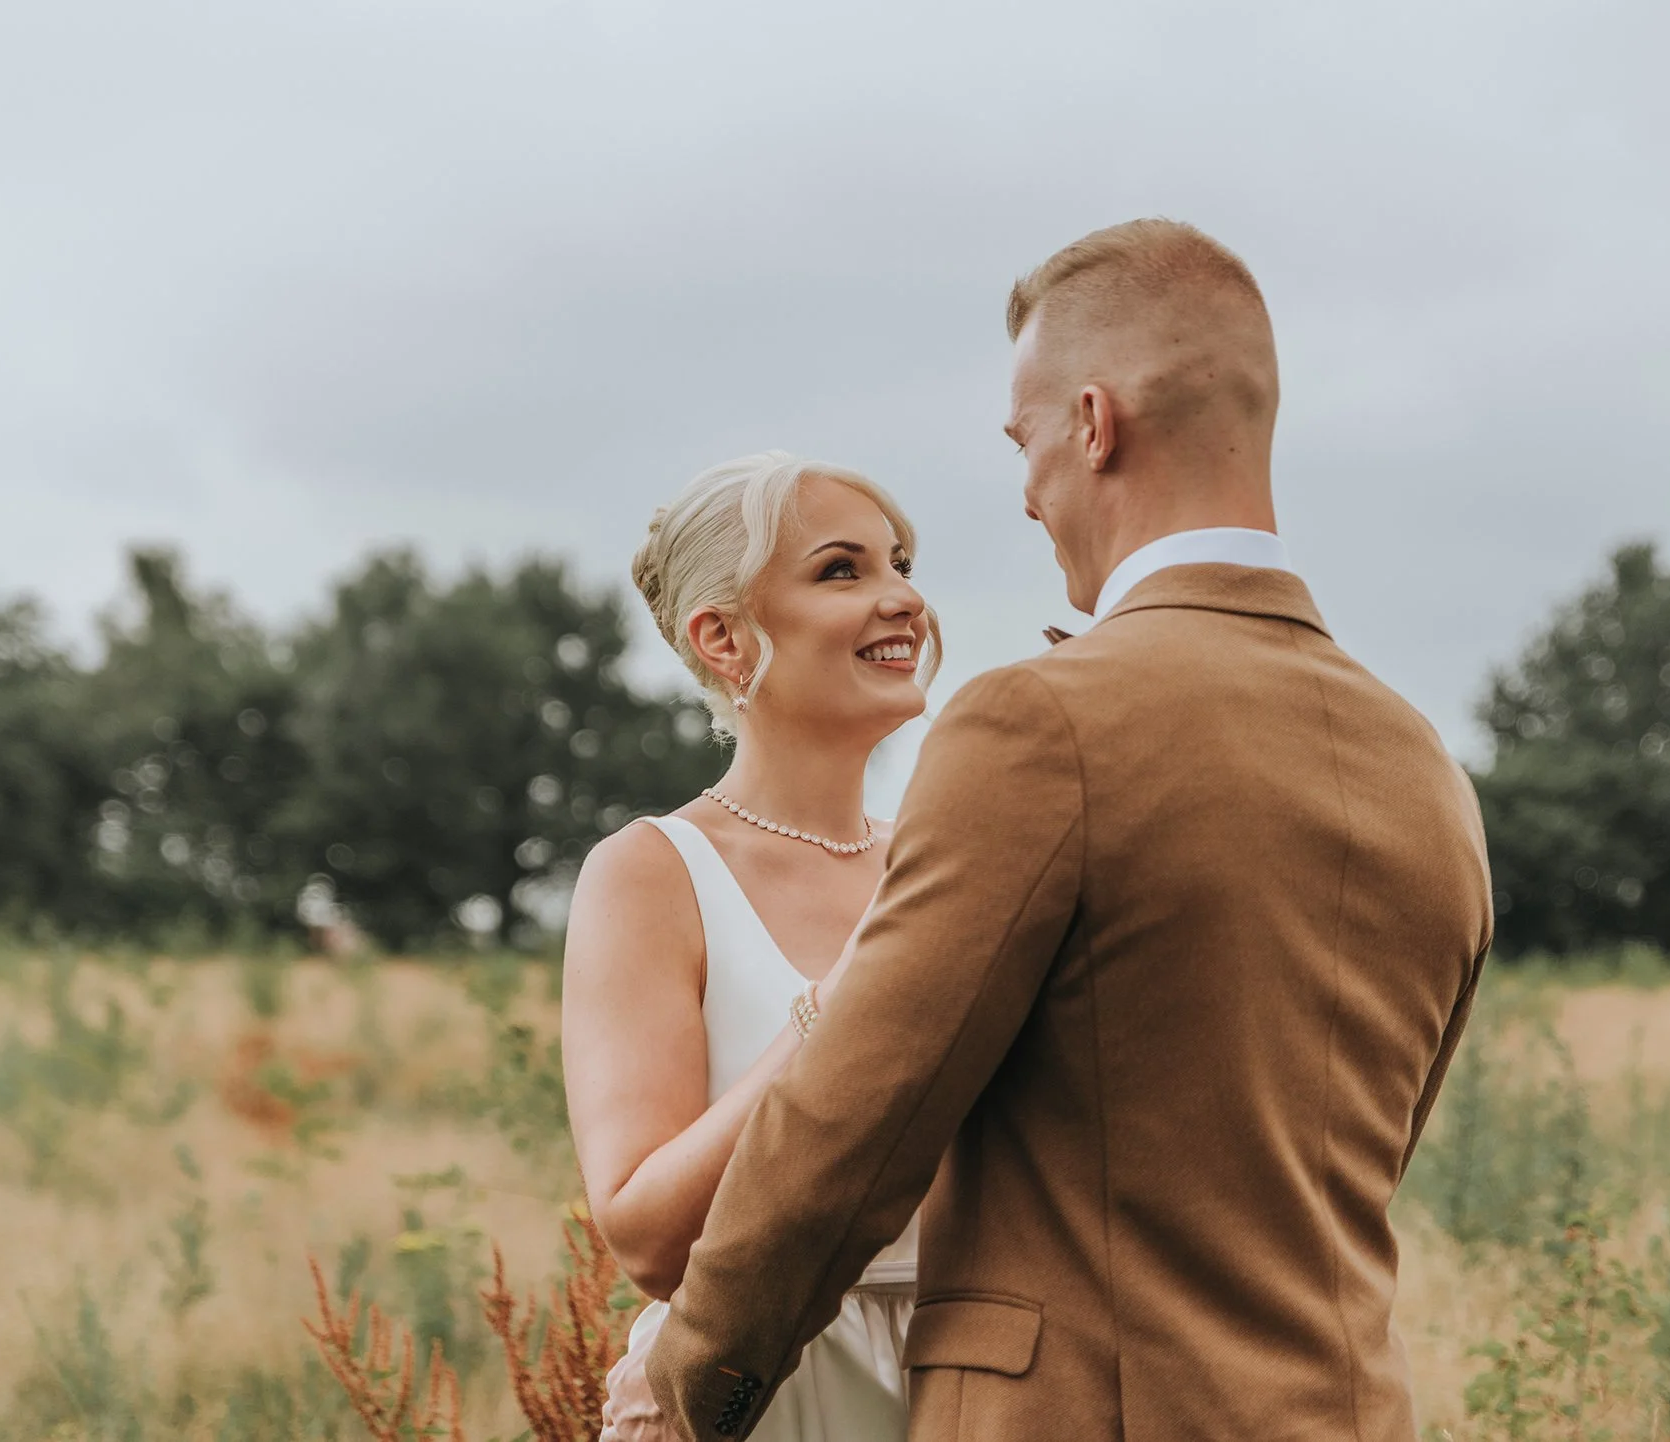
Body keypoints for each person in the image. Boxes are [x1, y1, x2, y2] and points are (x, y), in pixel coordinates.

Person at [603, 218, 1496, 1442]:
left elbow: (857, 1121)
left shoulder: (1040, 722)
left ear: (1093, 422)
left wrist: (694, 1373)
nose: (1025, 494)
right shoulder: (1423, 768)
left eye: (1023, 441)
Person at [563, 450, 944, 1442]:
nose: (903, 597)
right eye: (841, 569)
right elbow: (648, 1234)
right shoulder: (650, 872)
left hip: (970, 1377)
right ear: (724, 636)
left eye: (900, 563)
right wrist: (843, 998)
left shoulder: (948, 861)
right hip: (765, 1381)